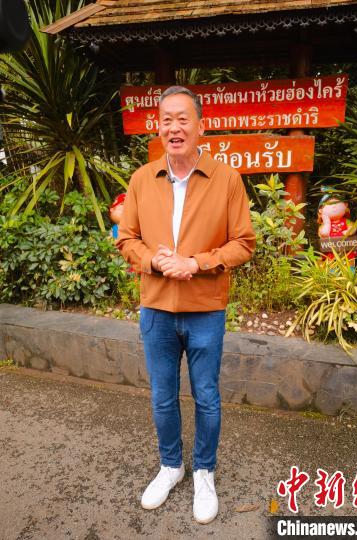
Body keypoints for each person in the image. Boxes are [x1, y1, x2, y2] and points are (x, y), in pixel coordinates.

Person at [116, 85, 256, 524]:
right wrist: (154, 260)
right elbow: (127, 239)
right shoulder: (142, 179)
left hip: (205, 309)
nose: (174, 128)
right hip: (156, 308)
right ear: (158, 128)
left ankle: (204, 472)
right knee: (162, 397)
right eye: (166, 120)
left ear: (200, 126)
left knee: (207, 397)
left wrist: (196, 262)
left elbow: (243, 243)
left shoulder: (226, 179)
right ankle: (171, 466)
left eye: (182, 119)